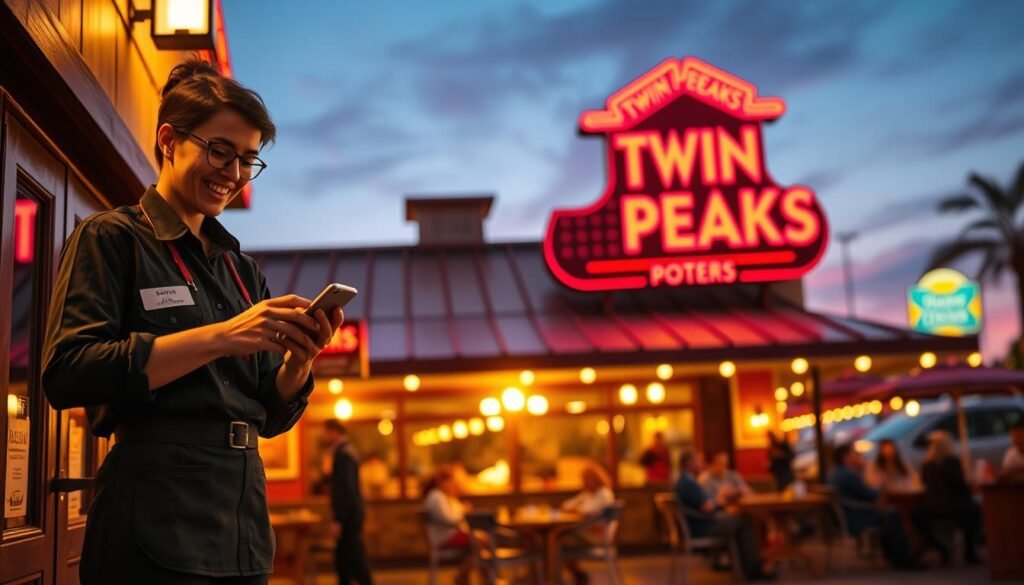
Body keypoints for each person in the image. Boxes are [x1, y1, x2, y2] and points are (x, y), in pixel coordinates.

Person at [41, 58, 344, 584]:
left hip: (242, 516)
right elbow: (69, 372)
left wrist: (301, 360)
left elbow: (271, 415)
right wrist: (220, 338)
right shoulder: (111, 238)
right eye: (219, 150)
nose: (232, 174)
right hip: (154, 515)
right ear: (167, 139)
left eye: (247, 160)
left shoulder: (243, 271)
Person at [674, 452, 773, 581]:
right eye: (698, 461)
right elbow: (708, 507)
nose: (701, 465)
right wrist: (722, 499)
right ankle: (752, 570)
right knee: (745, 520)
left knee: (739, 519)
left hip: (699, 524)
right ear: (689, 464)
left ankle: (744, 568)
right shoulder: (688, 483)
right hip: (702, 527)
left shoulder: (685, 481)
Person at [829, 444, 918, 569]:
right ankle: (903, 559)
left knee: (889, 514)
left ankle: (896, 557)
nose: (858, 456)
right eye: (855, 454)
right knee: (893, 515)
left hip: (850, 515)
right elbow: (871, 494)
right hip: (856, 517)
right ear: (846, 457)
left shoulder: (836, 474)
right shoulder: (848, 475)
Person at [914, 431, 981, 565]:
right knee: (974, 511)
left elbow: (922, 484)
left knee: (916, 515)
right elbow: (960, 486)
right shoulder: (952, 463)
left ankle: (940, 547)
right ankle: (969, 551)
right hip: (954, 508)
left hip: (932, 508)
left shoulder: (927, 465)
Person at [324, 420, 374, 585]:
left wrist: (339, 519)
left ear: (334, 431)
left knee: (354, 556)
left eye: (327, 432)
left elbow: (346, 489)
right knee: (343, 557)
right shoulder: (347, 451)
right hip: (352, 512)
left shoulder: (343, 454)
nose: (325, 436)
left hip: (349, 515)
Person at [558, 466, 616, 585]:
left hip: (598, 536)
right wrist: (577, 508)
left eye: (586, 479)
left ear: (595, 479)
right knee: (558, 540)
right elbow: (566, 505)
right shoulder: (587, 494)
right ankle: (575, 574)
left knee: (558, 540)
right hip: (586, 533)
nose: (583, 483)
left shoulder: (604, 493)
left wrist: (577, 509)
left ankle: (559, 577)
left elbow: (587, 512)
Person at [422, 467, 475, 585]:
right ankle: (463, 575)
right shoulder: (436, 497)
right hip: (445, 537)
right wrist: (464, 511)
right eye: (450, 481)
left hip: (450, 534)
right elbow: (450, 520)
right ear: (441, 482)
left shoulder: (445, 496)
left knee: (480, 542)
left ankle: (465, 575)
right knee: (480, 541)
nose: (452, 485)